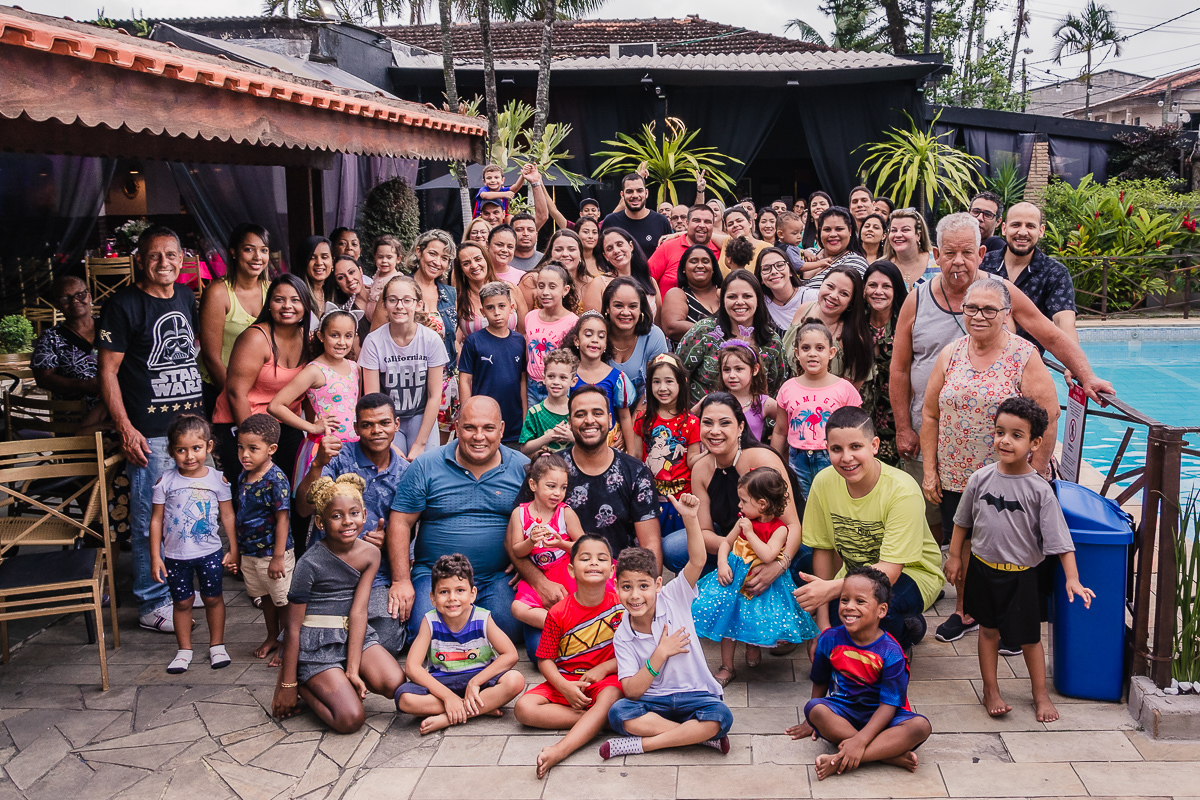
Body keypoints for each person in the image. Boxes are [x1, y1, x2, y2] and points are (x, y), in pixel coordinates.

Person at [889, 212, 1112, 548]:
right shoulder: (917, 300)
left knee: (997, 528)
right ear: (936, 255)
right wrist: (904, 427)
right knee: (937, 521)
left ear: (981, 255)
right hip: (933, 434)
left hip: (998, 446)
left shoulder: (1001, 293)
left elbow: (1049, 335)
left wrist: (1087, 375)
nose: (958, 262)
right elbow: (900, 368)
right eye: (949, 253)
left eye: (967, 252)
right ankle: (947, 585)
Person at [921, 279, 1060, 645]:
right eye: (971, 308)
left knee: (1008, 547)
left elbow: (1049, 414)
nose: (978, 316)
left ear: (1006, 313)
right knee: (961, 542)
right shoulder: (951, 353)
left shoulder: (1023, 354)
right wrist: (931, 471)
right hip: (956, 472)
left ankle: (1010, 623)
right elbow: (931, 414)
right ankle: (965, 611)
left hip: (1008, 476)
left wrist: (1039, 472)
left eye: (988, 309)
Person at [944, 397, 1093, 722]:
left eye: (1016, 435)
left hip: (1023, 575)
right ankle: (990, 689)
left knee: (1029, 638)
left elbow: (1060, 541)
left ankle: (1039, 694)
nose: (1005, 440)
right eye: (1000, 432)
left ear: (1034, 443)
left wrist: (1072, 577)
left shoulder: (1039, 490)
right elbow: (962, 521)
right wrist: (955, 556)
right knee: (988, 631)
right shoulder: (980, 479)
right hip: (983, 570)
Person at [98, 225, 205, 633]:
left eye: (172, 255)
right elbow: (107, 372)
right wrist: (125, 428)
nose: (164, 263)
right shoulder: (123, 305)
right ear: (139, 260)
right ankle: (150, 600)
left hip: (189, 430)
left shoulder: (184, 297)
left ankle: (176, 587)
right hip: (150, 433)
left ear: (182, 259)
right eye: (155, 255)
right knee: (150, 519)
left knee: (188, 514)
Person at [793, 407, 945, 651]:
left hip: (911, 573)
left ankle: (902, 637)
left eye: (856, 447)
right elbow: (822, 549)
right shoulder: (823, 482)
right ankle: (898, 624)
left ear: (874, 445)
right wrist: (822, 629)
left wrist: (830, 589)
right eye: (836, 449)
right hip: (854, 572)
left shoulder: (902, 490)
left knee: (878, 606)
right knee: (831, 609)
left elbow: (890, 572)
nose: (846, 458)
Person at [388, 396, 531, 644]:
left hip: (494, 577)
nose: (479, 436)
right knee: (422, 628)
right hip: (435, 575)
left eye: (488, 428)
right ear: (456, 427)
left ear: (502, 429)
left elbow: (543, 519)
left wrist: (526, 564)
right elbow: (400, 522)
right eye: (469, 428)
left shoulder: (522, 468)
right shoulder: (426, 466)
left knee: (510, 626)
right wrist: (401, 580)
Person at [604, 493, 733, 760]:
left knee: (721, 717)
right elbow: (632, 690)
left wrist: (690, 518)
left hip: (695, 694)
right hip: (653, 701)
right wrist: (660, 653)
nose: (635, 595)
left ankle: (644, 745)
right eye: (626, 587)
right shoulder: (623, 634)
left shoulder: (674, 596)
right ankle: (696, 738)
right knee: (618, 714)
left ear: (658, 585)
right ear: (617, 589)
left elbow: (697, 560)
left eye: (643, 586)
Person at [272, 474, 406, 734]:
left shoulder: (370, 554)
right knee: (350, 719)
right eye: (336, 516)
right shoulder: (309, 563)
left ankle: (343, 675)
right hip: (316, 640)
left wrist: (353, 670)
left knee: (395, 682)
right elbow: (293, 626)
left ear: (364, 514)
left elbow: (358, 612)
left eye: (354, 513)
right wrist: (287, 684)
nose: (347, 522)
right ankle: (304, 682)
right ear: (321, 522)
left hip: (353, 633)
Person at [659, 395, 805, 629]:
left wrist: (778, 565)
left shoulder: (761, 459)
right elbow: (704, 532)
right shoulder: (702, 468)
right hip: (736, 538)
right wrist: (737, 555)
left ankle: (785, 608)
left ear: (740, 427)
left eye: (724, 423)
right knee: (674, 548)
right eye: (707, 423)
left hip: (776, 542)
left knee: (802, 562)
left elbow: (793, 526)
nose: (714, 431)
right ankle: (720, 592)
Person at [787, 566, 932, 781]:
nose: (849, 607)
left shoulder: (892, 652)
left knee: (921, 726)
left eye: (860, 601)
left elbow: (889, 705)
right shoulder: (830, 639)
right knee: (814, 709)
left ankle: (845, 757)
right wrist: (811, 721)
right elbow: (820, 680)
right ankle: (886, 754)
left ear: (881, 610)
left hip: (883, 716)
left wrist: (860, 741)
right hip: (844, 711)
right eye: (844, 600)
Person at [295, 393, 410, 655]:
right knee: (303, 639)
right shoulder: (336, 458)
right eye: (367, 424)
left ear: (396, 424)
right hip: (329, 567)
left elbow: (409, 528)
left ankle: (344, 641)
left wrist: (387, 542)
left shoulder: (406, 472)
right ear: (356, 428)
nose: (376, 431)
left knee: (389, 641)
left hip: (376, 573)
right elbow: (303, 508)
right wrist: (317, 464)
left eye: (384, 423)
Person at [693, 467, 819, 686]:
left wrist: (750, 533)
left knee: (754, 617)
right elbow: (726, 543)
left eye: (743, 501)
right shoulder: (743, 520)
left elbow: (769, 555)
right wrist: (722, 563)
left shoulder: (779, 529)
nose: (739, 506)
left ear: (762, 504)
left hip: (763, 580)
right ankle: (727, 666)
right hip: (735, 577)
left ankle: (752, 646)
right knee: (728, 619)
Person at [514, 534, 625, 778]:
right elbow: (545, 659)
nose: (594, 563)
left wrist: (605, 668)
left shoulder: (621, 607)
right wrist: (564, 687)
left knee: (611, 694)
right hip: (567, 679)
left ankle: (561, 749)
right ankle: (598, 721)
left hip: (606, 681)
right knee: (523, 708)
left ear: (612, 570)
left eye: (601, 558)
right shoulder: (557, 612)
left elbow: (637, 652)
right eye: (585, 558)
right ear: (572, 570)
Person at [396, 553, 526, 734]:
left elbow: (511, 655)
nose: (452, 598)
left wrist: (475, 682)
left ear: (472, 594)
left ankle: (450, 717)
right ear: (432, 598)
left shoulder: (482, 617)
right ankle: (479, 708)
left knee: (515, 680)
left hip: (479, 679)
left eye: (460, 590)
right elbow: (412, 667)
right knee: (405, 699)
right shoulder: (430, 621)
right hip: (442, 682)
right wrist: (448, 696)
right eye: (443, 592)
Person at [149, 415, 236, 673]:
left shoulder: (217, 480)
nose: (189, 456)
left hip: (210, 553)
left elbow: (228, 515)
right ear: (171, 451)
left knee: (213, 598)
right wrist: (156, 556)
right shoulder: (165, 482)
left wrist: (235, 549)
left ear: (208, 447)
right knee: (182, 602)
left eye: (196, 448)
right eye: (181, 450)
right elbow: (156, 521)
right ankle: (184, 649)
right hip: (176, 556)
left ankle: (217, 646)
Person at [213, 274, 311, 490]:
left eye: (295, 300)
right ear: (269, 304)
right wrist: (251, 445)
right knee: (254, 497)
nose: (287, 306)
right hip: (244, 422)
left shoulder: (307, 338)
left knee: (293, 491)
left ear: (306, 304)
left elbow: (309, 391)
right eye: (279, 299)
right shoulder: (255, 338)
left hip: (285, 423)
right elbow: (235, 393)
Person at [361, 275, 447, 460]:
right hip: (387, 419)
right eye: (393, 300)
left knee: (425, 465)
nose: (400, 306)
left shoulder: (431, 340)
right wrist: (389, 444)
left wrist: (420, 444)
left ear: (418, 304)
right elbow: (372, 399)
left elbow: (434, 396)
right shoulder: (373, 342)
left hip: (421, 416)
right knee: (391, 466)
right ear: (384, 304)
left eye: (407, 300)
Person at [269, 310, 360, 484]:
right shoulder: (315, 370)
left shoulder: (355, 367)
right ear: (320, 336)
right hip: (325, 448)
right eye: (334, 335)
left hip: (354, 447)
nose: (342, 342)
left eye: (348, 336)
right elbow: (275, 406)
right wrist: (311, 427)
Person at [773, 323, 864, 497]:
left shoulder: (844, 388)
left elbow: (858, 430)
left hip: (833, 456)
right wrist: (774, 463)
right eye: (806, 348)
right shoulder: (788, 388)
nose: (812, 353)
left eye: (820, 348)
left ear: (831, 353)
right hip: (798, 459)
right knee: (804, 502)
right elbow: (779, 430)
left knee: (835, 499)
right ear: (797, 353)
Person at [980, 201, 1077, 354]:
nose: (1022, 232)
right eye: (1016, 225)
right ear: (1004, 228)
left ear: (1041, 231)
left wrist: (1073, 362)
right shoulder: (983, 264)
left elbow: (1064, 321)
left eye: (1030, 226)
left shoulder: (1055, 273)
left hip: (1028, 364)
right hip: (981, 357)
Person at [233, 413, 293, 663]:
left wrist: (278, 557)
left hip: (272, 554)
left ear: (271, 449)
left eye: (252, 449)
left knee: (283, 601)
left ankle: (288, 644)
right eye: (241, 448)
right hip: (250, 553)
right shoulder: (243, 476)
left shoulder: (275, 480)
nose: (244, 454)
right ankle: (272, 635)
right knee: (265, 598)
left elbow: (283, 519)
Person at [677, 270, 787, 405]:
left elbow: (778, 390)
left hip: (755, 423)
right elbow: (678, 374)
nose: (740, 302)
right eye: (732, 297)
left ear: (758, 300)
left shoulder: (772, 342)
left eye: (747, 296)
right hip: (703, 421)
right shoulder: (704, 332)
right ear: (722, 301)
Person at [508, 453, 587, 629]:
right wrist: (530, 542)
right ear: (533, 484)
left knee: (585, 599)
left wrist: (561, 544)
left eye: (563, 487)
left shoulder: (565, 513)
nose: (558, 493)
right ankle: (565, 625)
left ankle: (579, 624)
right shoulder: (519, 514)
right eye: (551, 486)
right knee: (518, 608)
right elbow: (517, 551)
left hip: (566, 569)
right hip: (540, 574)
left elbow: (585, 548)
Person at [196, 224, 269, 413]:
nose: (257, 257)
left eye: (264, 250)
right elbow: (211, 358)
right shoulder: (217, 293)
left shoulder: (272, 290)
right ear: (234, 253)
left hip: (262, 393)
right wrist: (233, 399)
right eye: (249, 250)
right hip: (221, 389)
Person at [634, 354, 701, 537]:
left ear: (682, 383)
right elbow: (635, 457)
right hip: (650, 499)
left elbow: (692, 461)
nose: (662, 388)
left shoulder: (692, 422)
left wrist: (711, 453)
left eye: (669, 381)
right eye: (656, 382)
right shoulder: (642, 419)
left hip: (681, 500)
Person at [459, 282, 528, 448]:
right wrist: (467, 414)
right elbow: (464, 380)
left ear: (511, 307)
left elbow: (523, 381)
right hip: (482, 419)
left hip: (514, 421)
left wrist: (526, 416)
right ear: (482, 312)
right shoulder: (473, 341)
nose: (497, 313)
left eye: (501, 306)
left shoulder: (519, 341)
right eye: (490, 308)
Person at [783, 265, 874, 389]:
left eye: (844, 293)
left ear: (850, 303)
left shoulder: (853, 337)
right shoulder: (803, 309)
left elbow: (850, 392)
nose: (833, 295)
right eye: (830, 286)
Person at [32, 275, 104, 416]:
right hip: (75, 415)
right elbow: (43, 379)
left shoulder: (110, 327)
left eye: (80, 295)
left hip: (121, 408)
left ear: (89, 297)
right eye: (65, 298)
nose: (75, 301)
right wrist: (85, 385)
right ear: (56, 304)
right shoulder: (50, 338)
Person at [859, 261, 908, 466]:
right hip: (862, 411)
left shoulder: (906, 323)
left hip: (898, 413)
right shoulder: (855, 322)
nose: (878, 292)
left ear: (896, 289)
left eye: (886, 286)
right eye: (872, 285)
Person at [566, 311, 636, 451]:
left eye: (601, 336)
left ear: (605, 344)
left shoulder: (616, 378)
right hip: (575, 442)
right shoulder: (567, 376)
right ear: (576, 340)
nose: (595, 340)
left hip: (609, 445)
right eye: (588, 334)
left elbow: (624, 417)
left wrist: (632, 454)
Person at [602, 277, 669, 406]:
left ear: (641, 309)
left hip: (645, 411)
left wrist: (633, 423)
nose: (626, 312)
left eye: (633, 306)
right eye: (618, 306)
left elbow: (656, 385)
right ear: (607, 308)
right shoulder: (597, 336)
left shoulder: (654, 336)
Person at [523, 263, 579, 405]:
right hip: (533, 385)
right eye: (541, 286)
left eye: (552, 287)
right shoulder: (530, 316)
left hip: (558, 385)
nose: (545, 292)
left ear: (565, 290)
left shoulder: (572, 322)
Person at [584, 227, 662, 317]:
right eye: (609, 249)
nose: (616, 251)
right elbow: (591, 323)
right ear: (605, 256)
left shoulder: (650, 282)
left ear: (631, 246)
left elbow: (659, 324)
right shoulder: (598, 284)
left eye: (620, 244)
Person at [454, 241, 519, 347]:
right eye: (466, 263)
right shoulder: (458, 299)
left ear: (487, 260)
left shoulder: (511, 289)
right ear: (461, 270)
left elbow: (525, 332)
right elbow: (452, 339)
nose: (474, 266)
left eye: (478, 259)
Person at [647, 205, 720, 297]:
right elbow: (645, 279)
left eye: (707, 222)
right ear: (687, 223)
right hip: (667, 309)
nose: (702, 225)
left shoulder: (720, 251)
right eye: (696, 221)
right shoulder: (668, 247)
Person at [713, 342, 777, 444]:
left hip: (752, 458)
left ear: (755, 369)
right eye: (726, 370)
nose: (732, 375)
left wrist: (772, 453)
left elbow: (785, 427)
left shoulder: (764, 403)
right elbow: (690, 418)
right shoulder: (714, 400)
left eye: (739, 369)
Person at [661, 243, 722, 343]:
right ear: (684, 268)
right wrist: (718, 331)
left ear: (713, 268)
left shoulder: (725, 293)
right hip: (689, 357)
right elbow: (672, 327)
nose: (700, 265)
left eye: (706, 262)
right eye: (693, 262)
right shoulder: (677, 294)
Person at [520, 347, 577, 456]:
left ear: (573, 381)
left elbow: (589, 443)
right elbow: (524, 448)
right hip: (545, 469)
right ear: (544, 379)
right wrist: (550, 436)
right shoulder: (535, 412)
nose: (556, 382)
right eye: (551, 376)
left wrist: (572, 438)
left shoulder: (577, 411)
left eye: (563, 377)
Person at [518, 230, 592, 312]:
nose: (565, 254)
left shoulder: (590, 284)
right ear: (550, 254)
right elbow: (522, 321)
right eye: (558, 249)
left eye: (571, 249)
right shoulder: (532, 280)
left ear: (580, 255)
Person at [601, 173, 672, 257]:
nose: (635, 195)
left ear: (646, 193)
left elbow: (670, 254)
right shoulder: (611, 221)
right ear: (622, 195)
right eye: (629, 191)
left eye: (639, 191)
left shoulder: (661, 221)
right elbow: (600, 253)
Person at [798, 207, 868, 291]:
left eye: (839, 229)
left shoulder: (855, 262)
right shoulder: (809, 253)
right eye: (827, 229)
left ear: (850, 230)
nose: (833, 234)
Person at [883, 208, 939, 289]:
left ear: (918, 235)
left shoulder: (938, 261)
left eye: (905, 230)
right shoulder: (882, 267)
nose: (898, 235)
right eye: (894, 230)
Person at [755, 247, 805, 336]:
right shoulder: (759, 304)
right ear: (761, 278)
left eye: (780, 265)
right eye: (766, 269)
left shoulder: (812, 298)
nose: (774, 271)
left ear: (790, 271)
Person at [329, 257, 373, 348]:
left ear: (360, 270)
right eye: (341, 277)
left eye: (352, 272)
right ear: (337, 285)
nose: (349, 279)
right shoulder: (344, 313)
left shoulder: (380, 293)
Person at [295, 235, 333, 327]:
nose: (319, 263)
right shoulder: (296, 295)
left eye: (324, 257)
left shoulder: (334, 294)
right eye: (312, 257)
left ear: (333, 262)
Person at [717, 207, 770, 273]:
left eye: (739, 221)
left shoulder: (766, 248)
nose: (735, 225)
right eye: (730, 224)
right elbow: (708, 235)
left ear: (750, 223)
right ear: (727, 229)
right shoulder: (726, 242)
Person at [369, 234, 403, 305]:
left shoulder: (396, 279)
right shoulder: (378, 274)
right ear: (375, 257)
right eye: (380, 257)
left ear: (398, 259)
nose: (384, 260)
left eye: (389, 257)